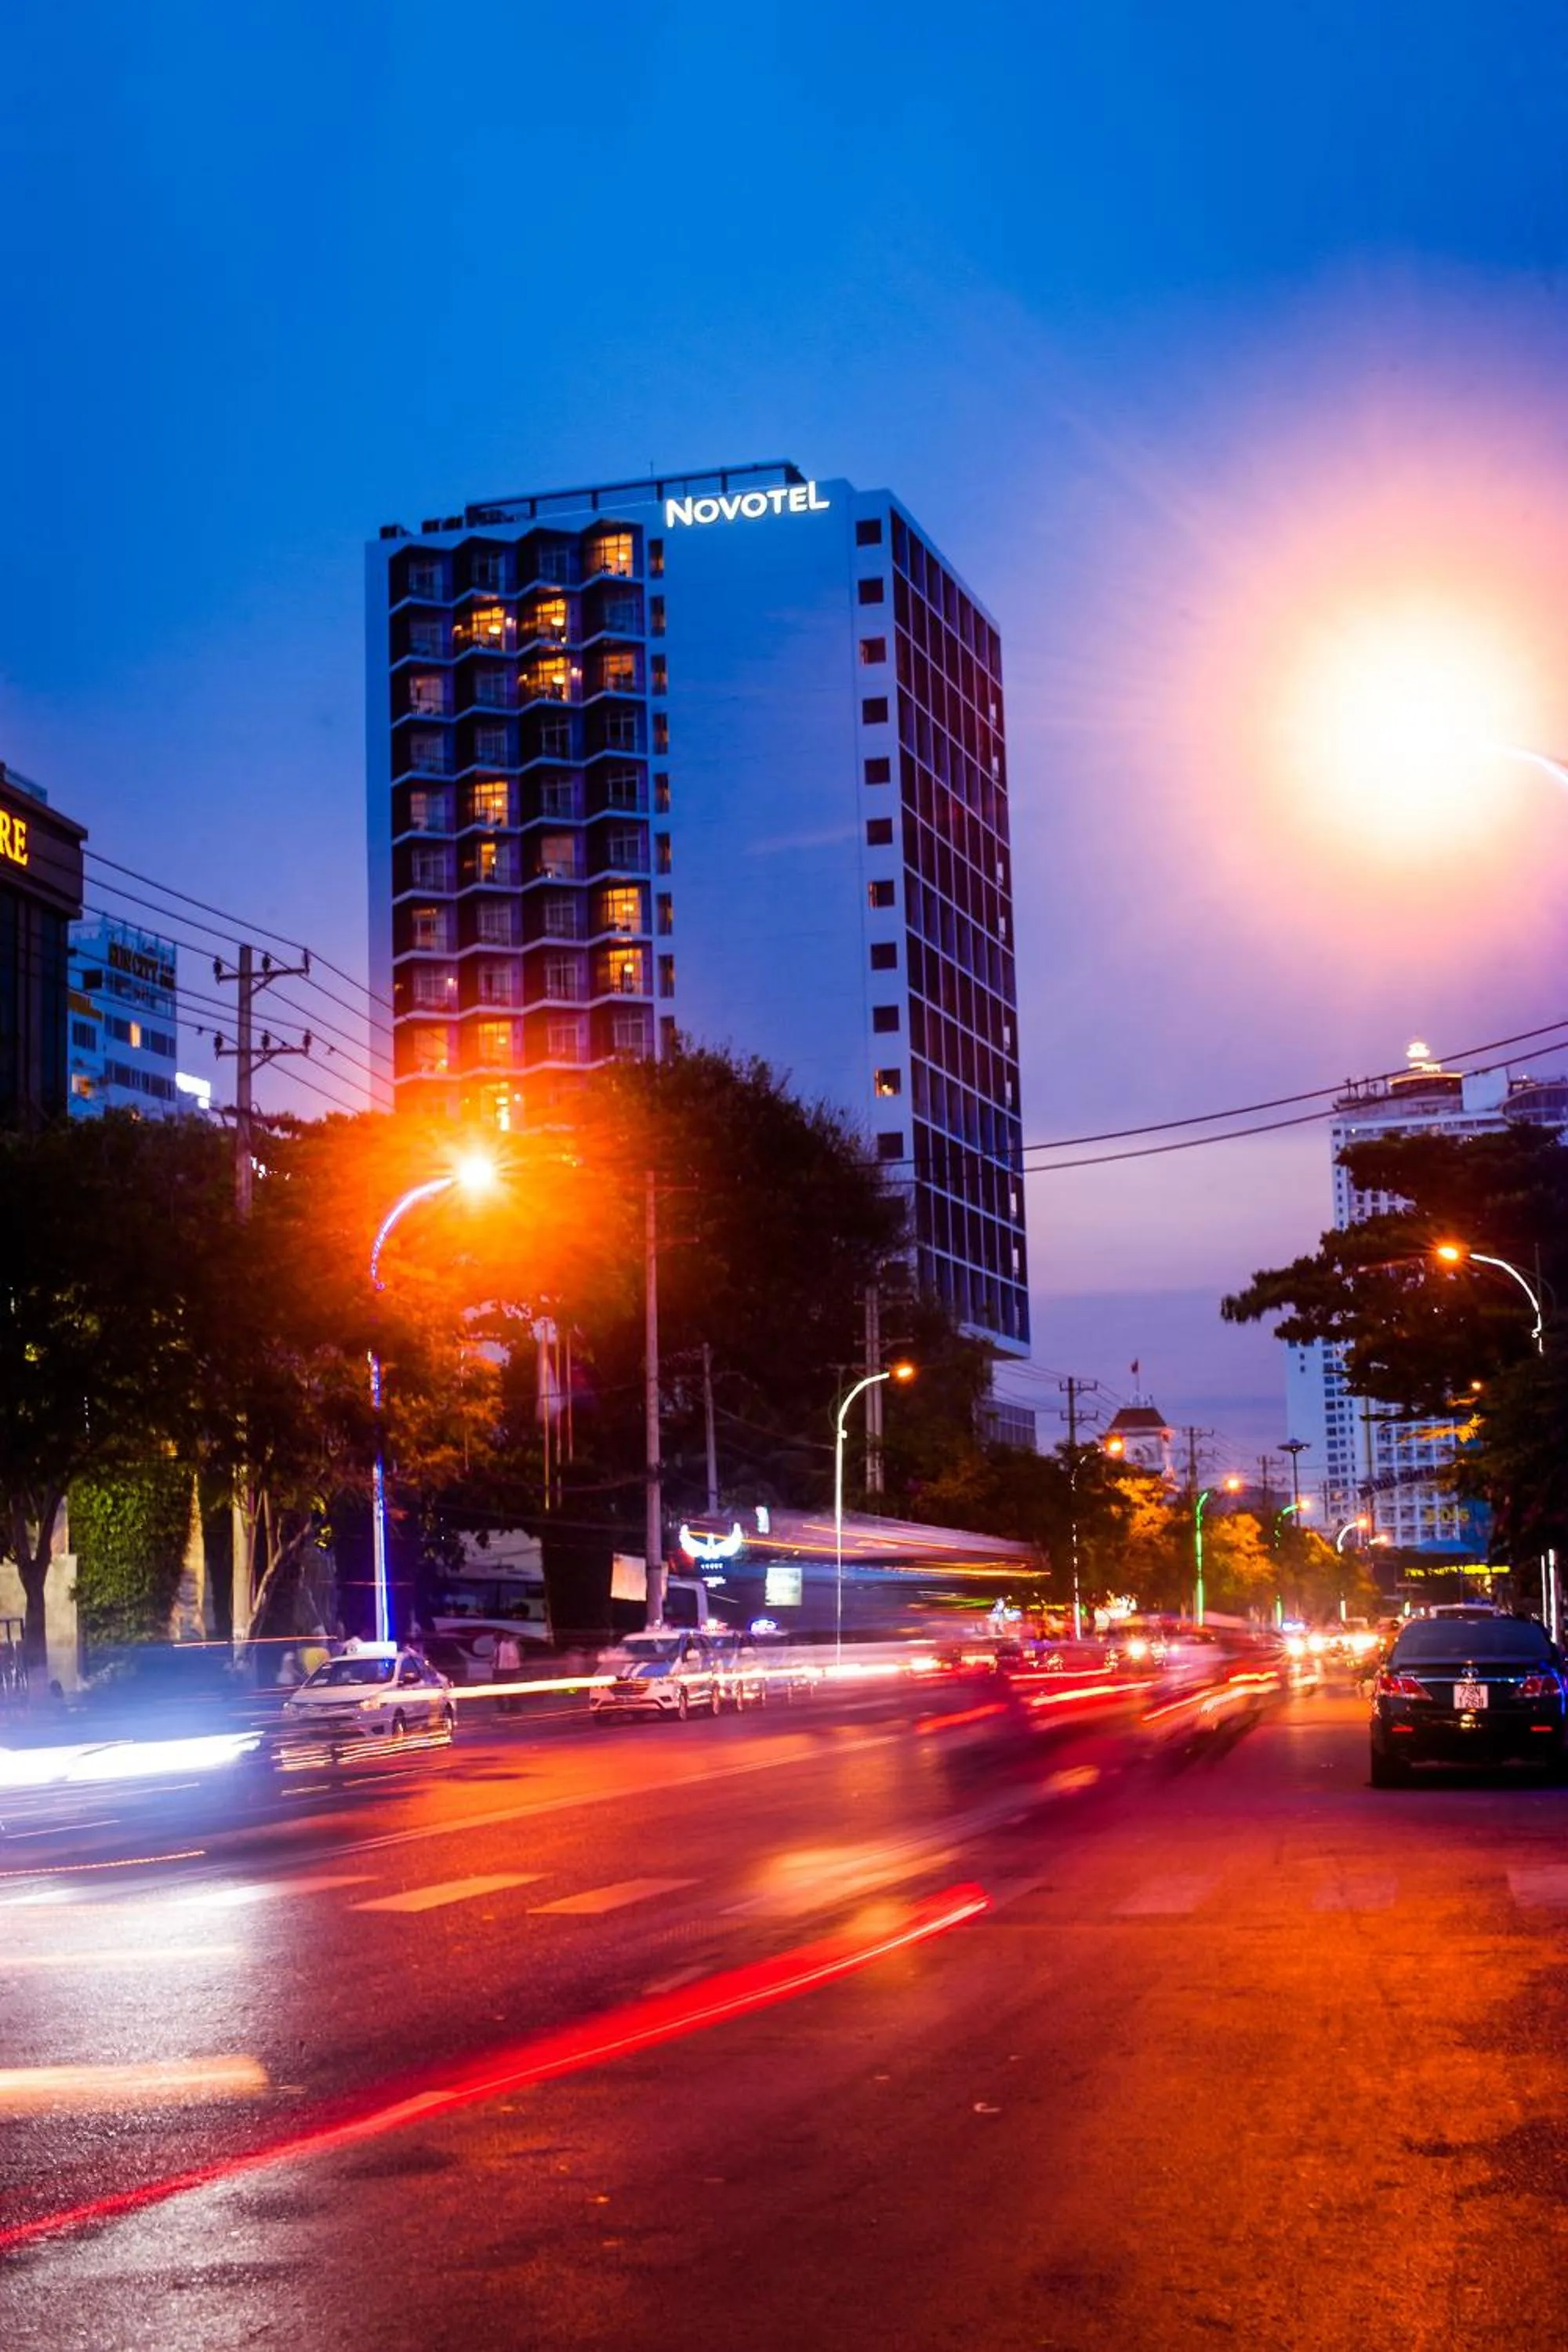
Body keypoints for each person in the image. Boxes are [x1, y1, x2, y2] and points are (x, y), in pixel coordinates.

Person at [495, 1631, 522, 1713]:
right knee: (501, 1690)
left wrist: (507, 1670)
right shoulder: (501, 1645)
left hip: (509, 1670)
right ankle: (504, 1707)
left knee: (510, 1690)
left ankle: (514, 1707)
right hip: (501, 1670)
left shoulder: (510, 1645)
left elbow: (512, 1658)